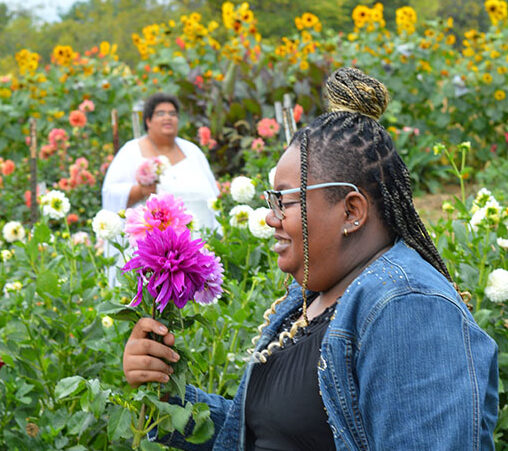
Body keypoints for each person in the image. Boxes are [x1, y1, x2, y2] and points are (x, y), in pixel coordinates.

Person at [122, 68, 498, 450]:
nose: (271, 217)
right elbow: (262, 435)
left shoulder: (408, 307)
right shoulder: (314, 298)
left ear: (351, 211)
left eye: (284, 200)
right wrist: (169, 398)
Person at [101, 93, 219, 284]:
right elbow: (111, 193)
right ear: (148, 120)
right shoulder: (131, 152)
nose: (168, 117)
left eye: (172, 113)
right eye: (161, 113)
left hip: (197, 239)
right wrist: (141, 190)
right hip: (153, 250)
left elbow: (213, 192)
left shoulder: (192, 151)